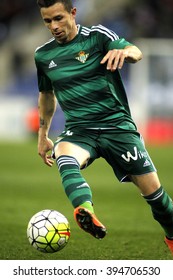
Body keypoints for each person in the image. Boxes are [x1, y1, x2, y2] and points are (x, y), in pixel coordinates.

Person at [35, 0, 173, 254]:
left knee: (158, 200)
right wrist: (43, 135)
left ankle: (172, 236)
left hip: (117, 127)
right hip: (80, 130)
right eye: (47, 21)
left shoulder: (97, 36)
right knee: (64, 155)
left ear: (73, 13)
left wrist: (125, 52)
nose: (53, 26)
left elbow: (135, 51)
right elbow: (46, 95)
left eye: (58, 18)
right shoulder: (43, 55)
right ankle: (84, 208)